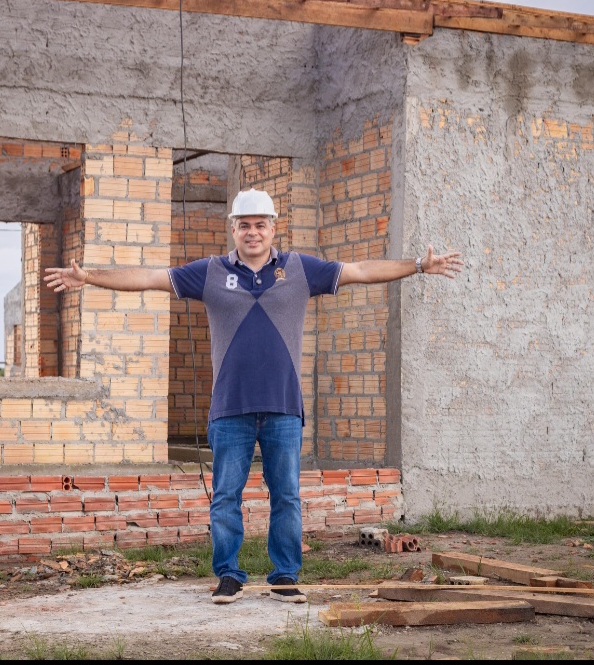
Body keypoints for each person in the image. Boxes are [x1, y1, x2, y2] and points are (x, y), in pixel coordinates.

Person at [43, 188, 463, 605]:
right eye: (244, 225)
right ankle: (228, 575)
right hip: (230, 409)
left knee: (286, 496)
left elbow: (360, 270)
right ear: (233, 229)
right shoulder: (209, 272)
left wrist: (418, 266)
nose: (253, 232)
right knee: (226, 496)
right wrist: (89, 276)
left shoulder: (300, 269)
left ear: (273, 228)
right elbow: (149, 278)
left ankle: (284, 577)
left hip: (283, 408)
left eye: (260, 224)